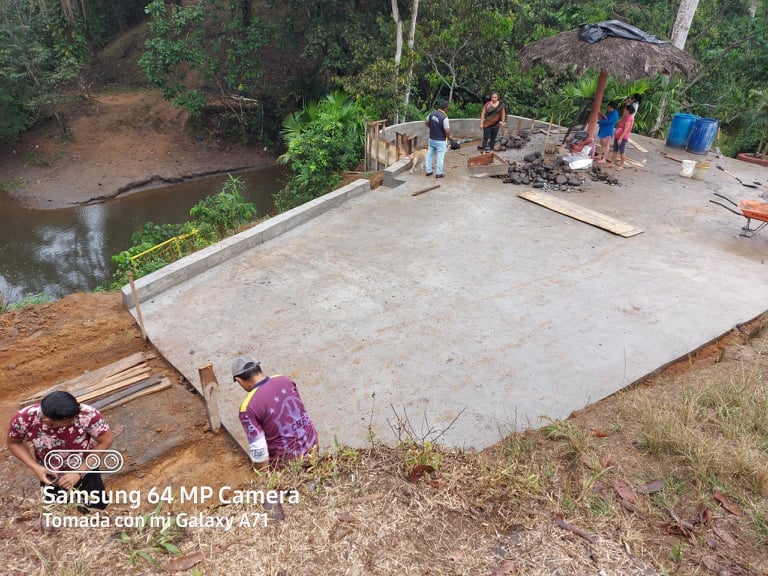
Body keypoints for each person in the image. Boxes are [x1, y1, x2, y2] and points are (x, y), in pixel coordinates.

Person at [7, 391, 113, 511]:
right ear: (47, 420)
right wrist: (36, 467)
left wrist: (79, 472)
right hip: (51, 474)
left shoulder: (87, 414)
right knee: (57, 512)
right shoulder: (24, 418)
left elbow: (106, 440)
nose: (74, 421)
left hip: (86, 467)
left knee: (95, 509)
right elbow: (14, 443)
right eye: (68, 421)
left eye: (75, 417)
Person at [233, 356, 318, 470]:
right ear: (260, 368)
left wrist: (264, 476)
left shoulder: (248, 407)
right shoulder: (285, 379)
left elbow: (260, 454)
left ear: (239, 380)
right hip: (313, 449)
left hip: (288, 466)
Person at [424, 99, 451, 179]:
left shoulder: (432, 113)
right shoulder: (444, 117)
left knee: (429, 155)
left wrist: (432, 128)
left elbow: (426, 122)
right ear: (446, 108)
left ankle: (428, 171)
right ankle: (439, 173)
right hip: (441, 141)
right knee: (440, 158)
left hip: (431, 139)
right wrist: (448, 137)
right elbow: (447, 131)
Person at [609, 104, 635, 171]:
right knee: (615, 150)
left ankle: (621, 165)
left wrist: (620, 138)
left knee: (622, 152)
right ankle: (612, 163)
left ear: (628, 110)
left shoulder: (629, 118)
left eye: (625, 109)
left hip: (623, 137)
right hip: (618, 136)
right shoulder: (625, 117)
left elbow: (626, 129)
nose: (623, 110)